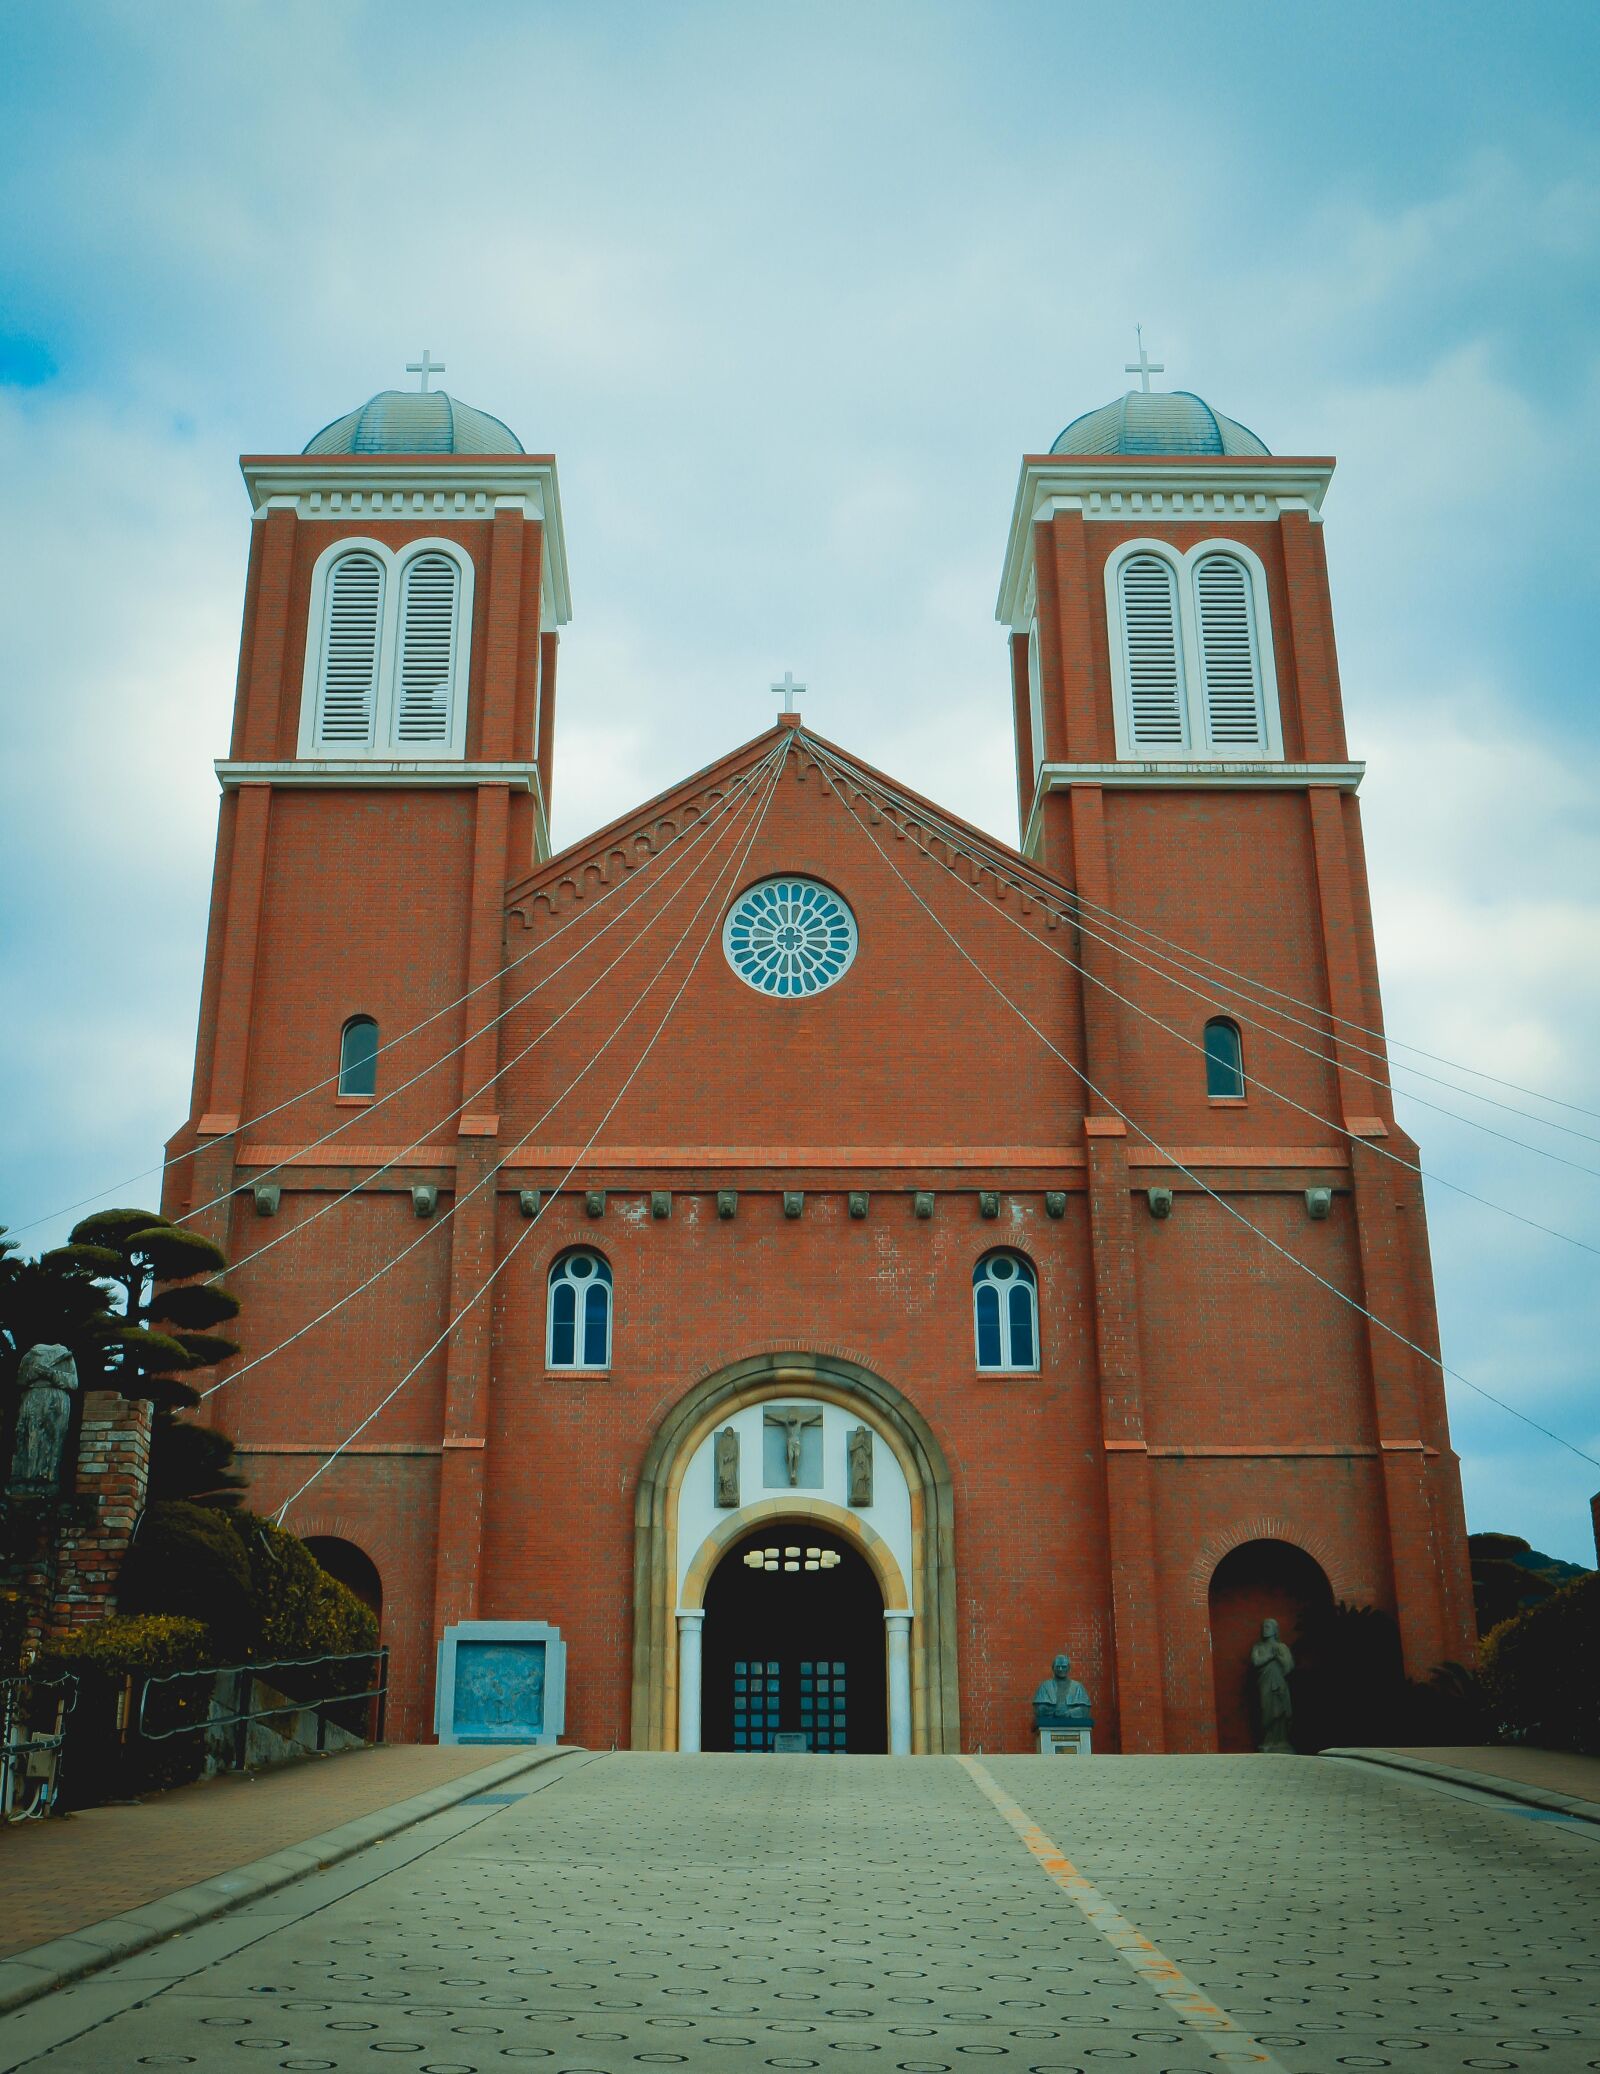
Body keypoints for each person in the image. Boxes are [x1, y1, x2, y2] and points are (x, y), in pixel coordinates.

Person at [1250, 1617, 1295, 1753]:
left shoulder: (1281, 1647)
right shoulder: (1258, 1647)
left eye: (1268, 1627)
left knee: (1281, 1712)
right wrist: (1270, 1656)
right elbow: (1256, 1662)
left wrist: (1279, 1657)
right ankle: (1268, 1741)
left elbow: (1289, 1666)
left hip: (1280, 1684)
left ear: (1275, 1630)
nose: (1265, 1629)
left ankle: (1281, 1741)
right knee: (1267, 1710)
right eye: (1264, 1627)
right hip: (1265, 1684)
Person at [1032, 1652, 1091, 1726]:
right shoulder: (1045, 1686)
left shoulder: (1077, 1687)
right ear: (1053, 1668)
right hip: (1049, 1725)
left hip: (1073, 1725)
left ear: (1069, 1668)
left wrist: (1069, 1713)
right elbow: (1038, 1709)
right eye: (1058, 1666)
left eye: (1063, 1667)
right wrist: (1054, 1712)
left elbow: (1085, 1710)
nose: (1060, 1669)